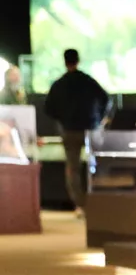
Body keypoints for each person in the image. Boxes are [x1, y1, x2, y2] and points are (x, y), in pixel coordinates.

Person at [42, 48, 111, 215]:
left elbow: (48, 108)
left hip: (69, 130)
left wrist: (62, 120)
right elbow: (106, 99)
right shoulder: (88, 81)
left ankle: (80, 205)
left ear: (65, 62)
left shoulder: (59, 84)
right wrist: (100, 118)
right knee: (95, 165)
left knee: (72, 169)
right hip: (91, 128)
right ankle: (97, 199)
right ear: (78, 60)